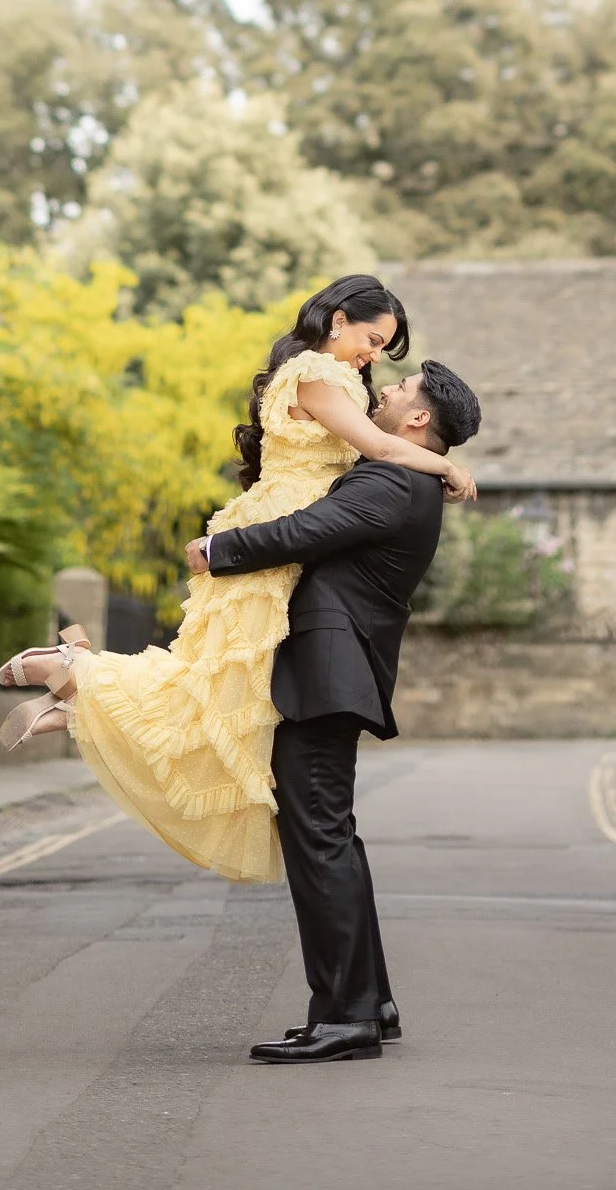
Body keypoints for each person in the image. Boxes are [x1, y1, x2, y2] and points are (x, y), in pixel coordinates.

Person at [0, 275, 475, 886]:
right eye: (373, 339)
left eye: (385, 350)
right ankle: (77, 676)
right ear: (338, 321)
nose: (375, 356)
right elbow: (381, 447)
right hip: (279, 528)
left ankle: (81, 694)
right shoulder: (321, 375)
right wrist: (445, 465)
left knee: (230, 688)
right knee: (222, 687)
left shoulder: (331, 378)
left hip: (288, 525)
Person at [188, 356, 483, 1064]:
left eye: (400, 388)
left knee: (319, 840)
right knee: (332, 838)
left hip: (325, 679)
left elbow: (304, 530)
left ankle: (346, 1016)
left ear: (418, 419)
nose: (386, 386)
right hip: (332, 678)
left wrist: (216, 547)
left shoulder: (391, 480)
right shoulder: (405, 474)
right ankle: (368, 1003)